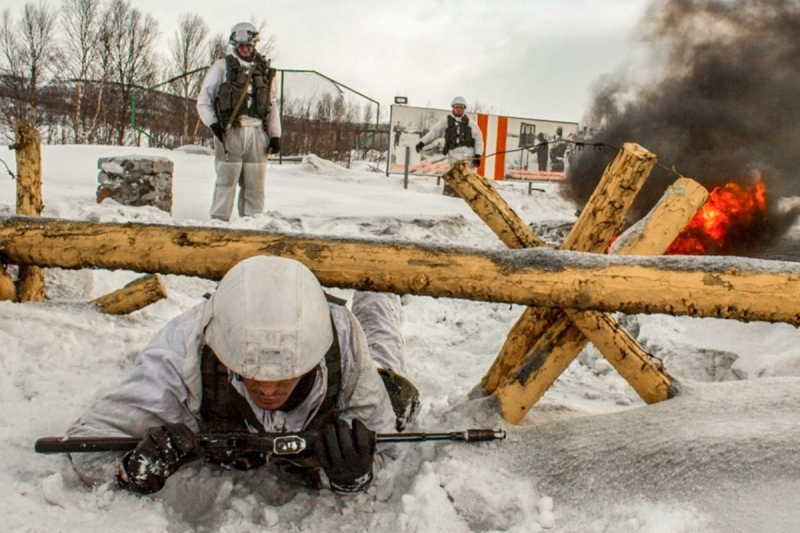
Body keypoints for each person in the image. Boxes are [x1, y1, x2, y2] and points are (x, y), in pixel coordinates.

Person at [65, 256, 418, 495]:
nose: (266, 389)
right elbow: (85, 445)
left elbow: (389, 452)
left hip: (353, 363)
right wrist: (132, 471)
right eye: (250, 372)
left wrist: (356, 475)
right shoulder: (185, 348)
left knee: (389, 372)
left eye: (286, 375)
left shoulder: (342, 337)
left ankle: (380, 290)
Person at [196, 22, 282, 221]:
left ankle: (253, 224)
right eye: (241, 45)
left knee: (255, 184)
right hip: (230, 131)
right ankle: (219, 222)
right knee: (226, 180)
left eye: (248, 45)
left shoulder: (265, 71)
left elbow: (272, 104)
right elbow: (204, 99)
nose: (245, 49)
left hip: (257, 132)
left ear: (254, 45)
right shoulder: (222, 67)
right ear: (235, 45)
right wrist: (213, 124)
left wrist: (275, 134)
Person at [415, 96, 484, 197]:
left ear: (464, 109)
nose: (459, 109)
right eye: (457, 107)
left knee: (469, 178)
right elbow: (435, 131)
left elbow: (478, 138)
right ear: (453, 108)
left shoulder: (470, 122)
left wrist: (478, 154)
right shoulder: (446, 121)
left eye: (461, 108)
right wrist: (422, 142)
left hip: (468, 154)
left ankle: (471, 198)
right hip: (453, 154)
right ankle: (452, 198)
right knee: (454, 177)